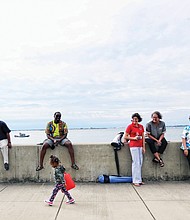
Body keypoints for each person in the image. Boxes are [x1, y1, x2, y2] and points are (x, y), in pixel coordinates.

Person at [123, 113, 145, 187]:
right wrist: (134, 138)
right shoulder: (130, 126)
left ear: (138, 119)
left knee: (140, 162)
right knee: (136, 162)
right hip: (133, 146)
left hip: (140, 146)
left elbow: (143, 137)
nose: (135, 121)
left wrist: (143, 147)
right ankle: (135, 180)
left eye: (136, 119)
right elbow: (125, 136)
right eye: (133, 119)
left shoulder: (141, 127)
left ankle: (139, 179)